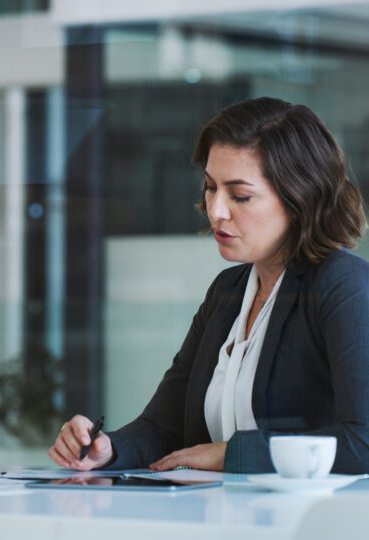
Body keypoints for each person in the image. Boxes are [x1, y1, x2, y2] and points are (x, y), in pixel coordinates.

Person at [49, 97, 369, 474]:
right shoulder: (228, 291)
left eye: (240, 195)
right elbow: (162, 426)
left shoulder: (342, 283)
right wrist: (108, 448)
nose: (216, 209)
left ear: (300, 198)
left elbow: (362, 441)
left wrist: (232, 454)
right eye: (210, 187)